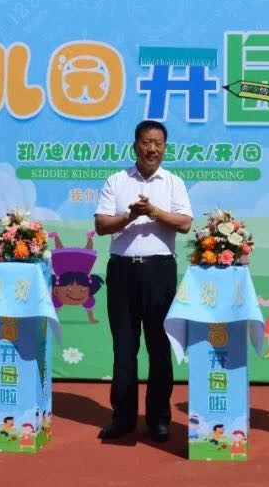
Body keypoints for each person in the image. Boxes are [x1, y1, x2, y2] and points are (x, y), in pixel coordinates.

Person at [94, 120, 193, 443]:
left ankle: (159, 419)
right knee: (124, 347)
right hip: (122, 271)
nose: (152, 149)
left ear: (165, 147)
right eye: (146, 142)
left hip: (159, 271)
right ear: (135, 145)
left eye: (158, 143)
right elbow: (102, 225)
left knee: (159, 346)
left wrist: (153, 211)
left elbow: (185, 223)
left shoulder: (173, 182)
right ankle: (123, 417)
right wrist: (130, 216)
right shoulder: (117, 180)